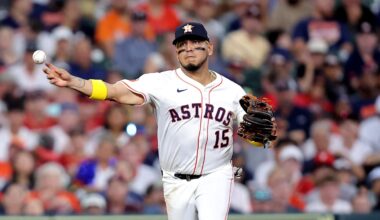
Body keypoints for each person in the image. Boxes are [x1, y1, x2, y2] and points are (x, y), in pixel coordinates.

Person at [43, 22, 267, 219]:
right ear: (176, 51)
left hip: (216, 176)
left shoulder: (233, 90)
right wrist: (75, 82)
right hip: (176, 179)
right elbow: (116, 92)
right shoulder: (160, 82)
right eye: (182, 44)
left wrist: (259, 136)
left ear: (210, 47)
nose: (188, 48)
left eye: (195, 42)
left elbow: (260, 134)